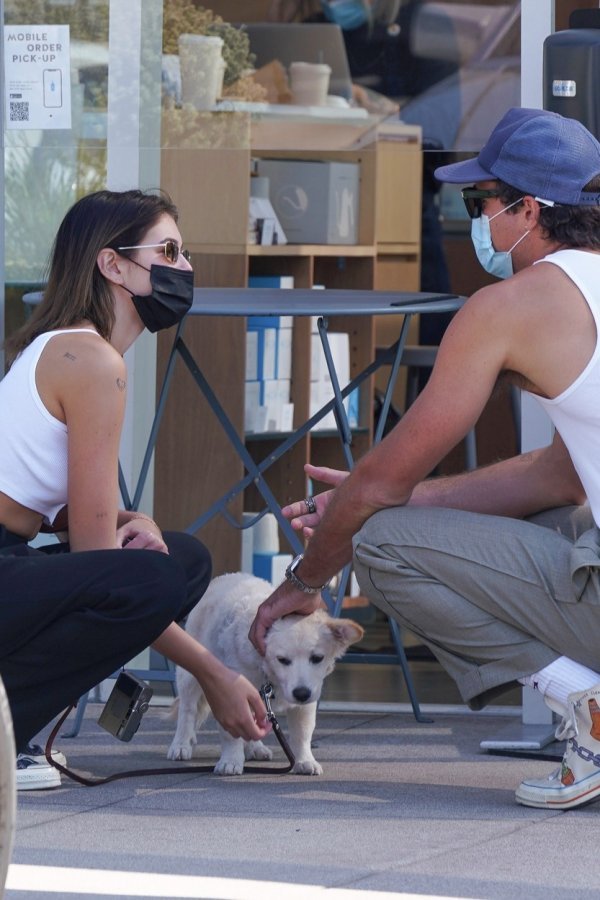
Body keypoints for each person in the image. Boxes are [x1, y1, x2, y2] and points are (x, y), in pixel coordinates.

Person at [250, 107, 600, 811]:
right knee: (534, 516)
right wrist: (393, 494)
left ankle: (588, 711)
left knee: (377, 542)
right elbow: (559, 477)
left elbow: (381, 485)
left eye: (480, 203)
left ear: (529, 210)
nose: (477, 222)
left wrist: (305, 578)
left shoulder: (509, 306)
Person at [0, 189, 270, 791]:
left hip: (10, 557)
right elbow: (96, 558)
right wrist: (214, 673)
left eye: (184, 252)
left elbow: (32, 504)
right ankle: (3, 731)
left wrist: (126, 519)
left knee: (181, 559)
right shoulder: (92, 361)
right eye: (168, 251)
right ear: (113, 264)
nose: (185, 267)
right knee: (148, 580)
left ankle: (12, 720)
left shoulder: (66, 347)